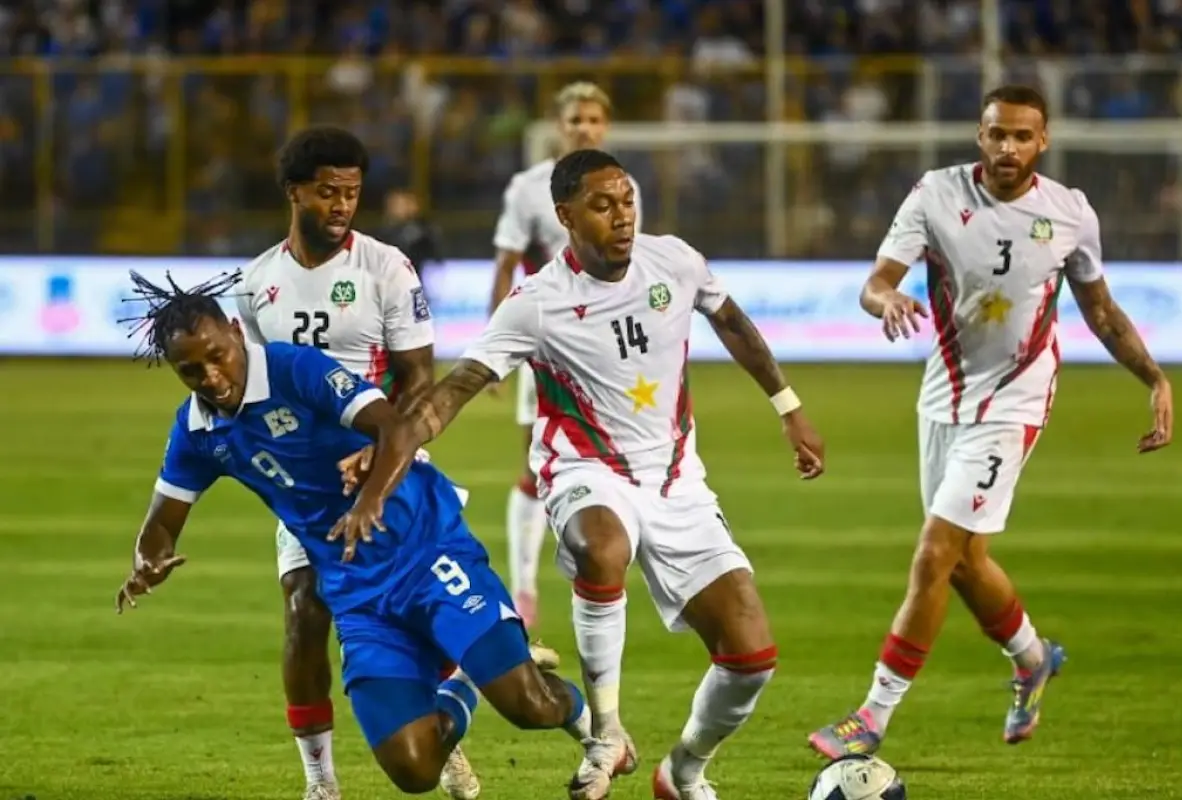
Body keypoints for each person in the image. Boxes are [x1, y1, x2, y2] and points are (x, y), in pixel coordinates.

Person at [344, 149, 826, 800]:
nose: (622, 217)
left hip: (677, 480)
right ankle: (605, 735)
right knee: (601, 549)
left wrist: (789, 407)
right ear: (566, 217)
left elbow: (732, 321)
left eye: (628, 200)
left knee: (751, 660)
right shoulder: (538, 302)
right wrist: (396, 440)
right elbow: (460, 385)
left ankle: (683, 772)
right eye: (603, 206)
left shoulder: (675, 261)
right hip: (583, 469)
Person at [113, 272, 594, 797]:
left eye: (216, 356)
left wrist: (369, 501)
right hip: (355, 589)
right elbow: (162, 521)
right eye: (190, 370)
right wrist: (148, 560)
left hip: (424, 547)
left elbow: (394, 429)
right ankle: (461, 687)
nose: (209, 376)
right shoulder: (196, 431)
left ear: (235, 330)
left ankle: (601, 734)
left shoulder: (294, 369)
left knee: (531, 707)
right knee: (414, 771)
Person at [807, 84, 1174, 759]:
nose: (1008, 147)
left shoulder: (1069, 213)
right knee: (967, 563)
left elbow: (1100, 309)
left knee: (935, 552)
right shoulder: (935, 194)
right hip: (942, 396)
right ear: (979, 136)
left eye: (1022, 136)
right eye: (996, 134)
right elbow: (875, 281)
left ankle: (872, 714)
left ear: (1044, 141)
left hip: (1016, 399)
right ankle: (1033, 657)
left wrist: (1153, 377)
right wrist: (885, 299)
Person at [235, 125, 538, 800]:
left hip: (387, 464)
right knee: (304, 612)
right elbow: (252, 392)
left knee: (403, 606)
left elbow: (417, 377)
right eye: (327, 192)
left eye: (352, 192)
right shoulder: (256, 285)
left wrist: (380, 447)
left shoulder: (387, 269)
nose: (342, 205)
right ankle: (321, 783)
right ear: (294, 193)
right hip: (307, 485)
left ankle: (449, 703)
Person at [489, 82, 643, 629]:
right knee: (535, 464)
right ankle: (525, 590)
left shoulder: (625, 187)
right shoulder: (528, 189)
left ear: (606, 127)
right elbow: (507, 264)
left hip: (609, 350)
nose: (585, 128)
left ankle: (609, 563)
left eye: (595, 120)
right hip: (551, 346)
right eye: (576, 119)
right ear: (560, 125)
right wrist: (498, 346)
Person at [379, 189, 443, 279]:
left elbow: (434, 257)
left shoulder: (423, 231)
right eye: (391, 204)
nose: (393, 208)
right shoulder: (383, 232)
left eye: (398, 204)